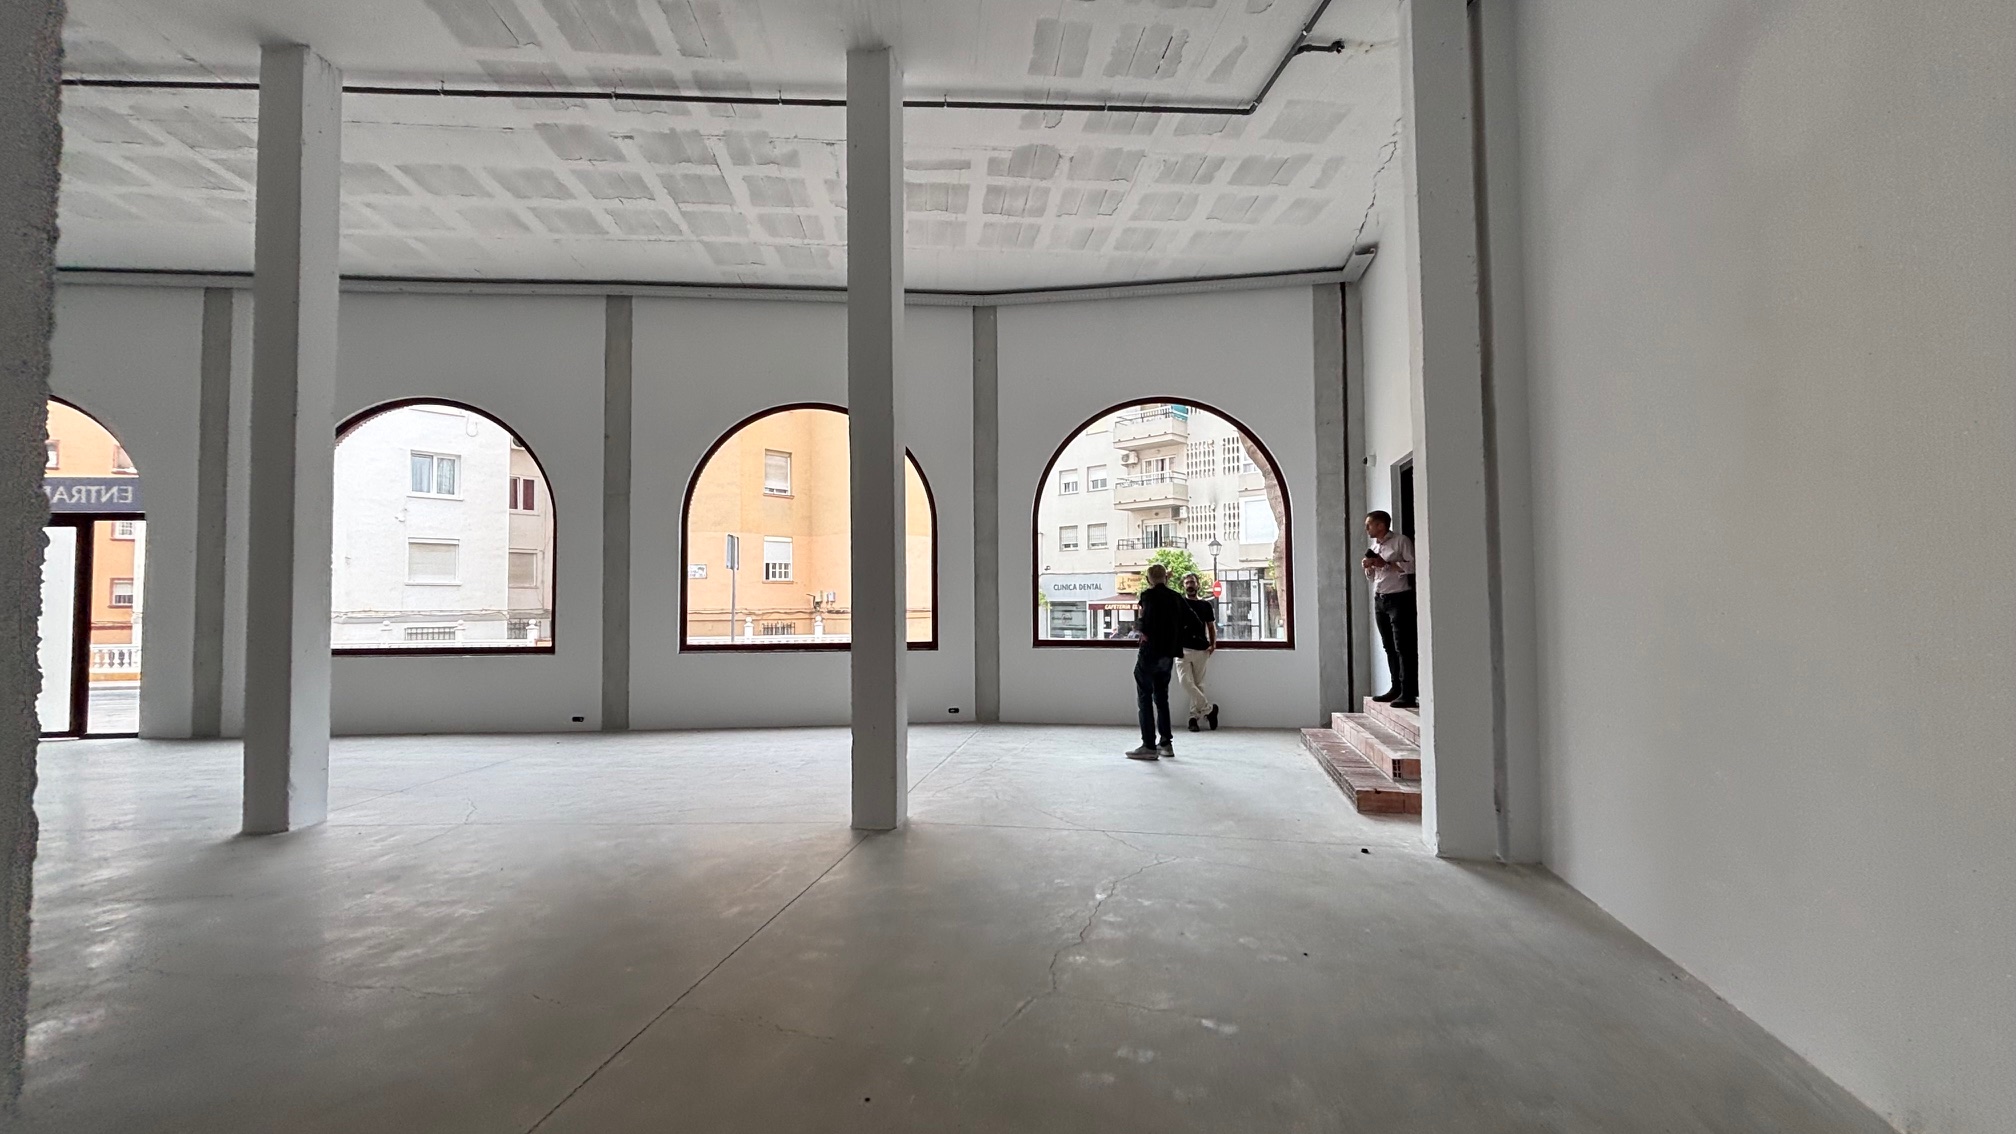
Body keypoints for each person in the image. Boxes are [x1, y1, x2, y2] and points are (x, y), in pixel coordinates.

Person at [1127, 563, 1186, 760]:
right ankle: (1166, 744)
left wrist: (1142, 629)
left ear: (1148, 579)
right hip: (1167, 654)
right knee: (1162, 698)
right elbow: (1192, 620)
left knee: (1145, 697)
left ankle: (1149, 746)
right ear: (1166, 578)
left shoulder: (1148, 596)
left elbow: (1145, 621)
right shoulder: (1176, 597)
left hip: (1150, 652)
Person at [1362, 510, 1418, 709]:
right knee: (1388, 646)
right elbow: (1374, 577)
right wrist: (1369, 567)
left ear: (1381, 525)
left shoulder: (1401, 541)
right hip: (1380, 599)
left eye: (1369, 524)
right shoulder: (1374, 546)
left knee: (1403, 646)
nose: (1366, 528)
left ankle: (1408, 692)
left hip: (1399, 598)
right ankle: (1395, 688)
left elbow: (1414, 566)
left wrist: (1387, 563)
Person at [1178, 573, 1219, 732]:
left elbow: (1211, 626)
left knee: (1199, 685)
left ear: (1198, 585)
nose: (1190, 585)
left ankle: (1193, 719)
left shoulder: (1205, 605)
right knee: (1185, 682)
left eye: (1192, 582)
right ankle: (1209, 709)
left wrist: (1213, 644)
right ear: (1184, 586)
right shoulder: (1179, 604)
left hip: (1201, 649)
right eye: (1187, 582)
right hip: (1181, 649)